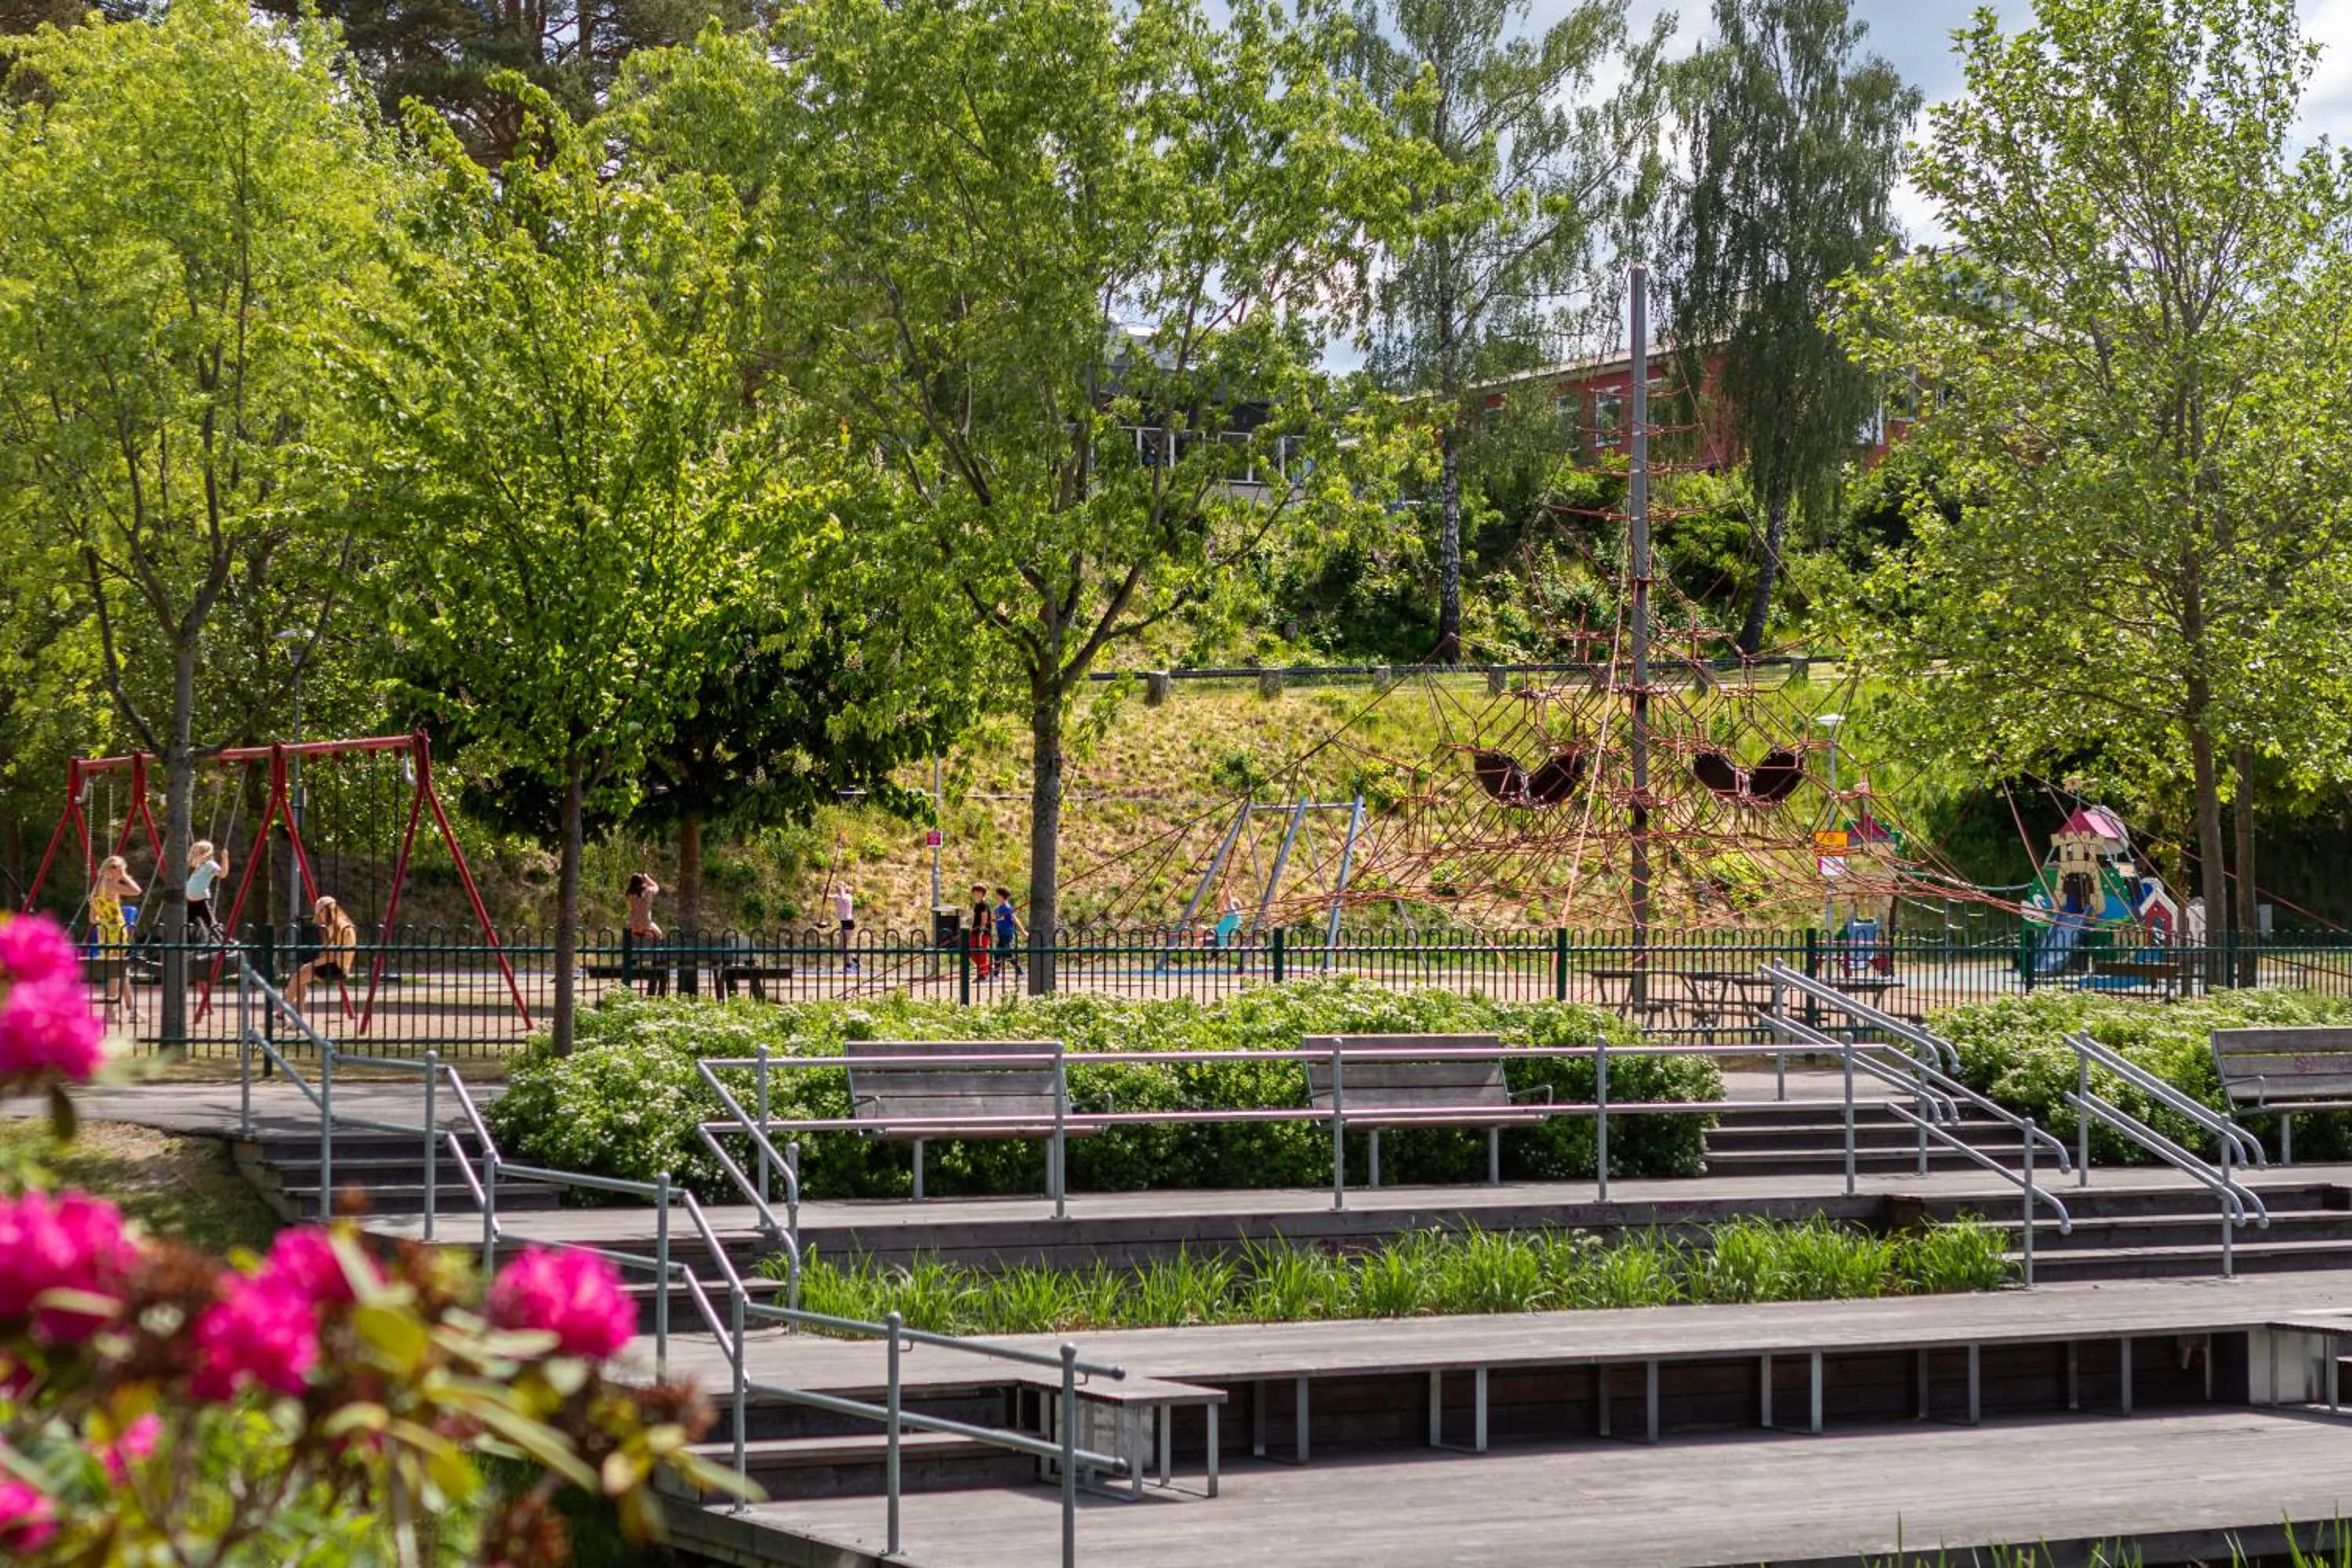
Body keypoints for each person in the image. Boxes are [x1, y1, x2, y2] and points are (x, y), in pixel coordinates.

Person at [285, 895, 355, 1019]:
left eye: (319, 915)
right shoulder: (337, 924)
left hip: (337, 967)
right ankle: (298, 1017)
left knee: (296, 978)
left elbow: (333, 956)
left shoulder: (340, 927)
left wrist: (313, 964)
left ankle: (280, 1015)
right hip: (335, 964)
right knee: (300, 977)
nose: (320, 919)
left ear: (325, 910)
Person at [90, 855, 142, 1022]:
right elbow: (137, 890)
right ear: (111, 870)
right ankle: (110, 1012)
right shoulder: (111, 885)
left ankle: (133, 1010)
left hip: (104, 932)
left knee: (121, 970)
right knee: (116, 971)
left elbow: (93, 918)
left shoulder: (97, 888)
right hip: (116, 932)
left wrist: (105, 918)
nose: (120, 872)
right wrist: (125, 877)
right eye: (119, 868)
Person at [623, 872, 664, 994]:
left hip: (633, 926)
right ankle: (654, 959)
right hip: (647, 925)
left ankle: (632, 962)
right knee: (659, 936)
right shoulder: (649, 893)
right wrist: (647, 879)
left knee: (632, 941)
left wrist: (642, 881)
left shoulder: (629, 895)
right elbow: (656, 886)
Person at [185, 839, 227, 943]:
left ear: (204, 853)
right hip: (190, 901)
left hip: (201, 901)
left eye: (196, 852)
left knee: (211, 923)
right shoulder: (199, 866)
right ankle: (188, 944)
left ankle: (223, 941)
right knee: (186, 924)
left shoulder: (210, 865)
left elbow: (222, 874)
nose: (194, 855)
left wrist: (225, 858)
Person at [992, 886, 1023, 978]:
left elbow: (1014, 919)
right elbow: (999, 919)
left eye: (998, 895)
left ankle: (996, 974)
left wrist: (1022, 931)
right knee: (1004, 953)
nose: (997, 897)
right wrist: (994, 920)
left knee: (999, 952)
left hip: (1007, 933)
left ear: (1002, 896)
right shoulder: (998, 908)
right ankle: (1019, 971)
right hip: (1000, 934)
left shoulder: (1007, 907)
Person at [968, 882, 993, 982]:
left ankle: (983, 974)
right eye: (975, 892)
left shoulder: (983, 905)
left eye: (979, 892)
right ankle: (985, 969)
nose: (977, 894)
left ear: (983, 893)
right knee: (971, 952)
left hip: (982, 933)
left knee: (981, 953)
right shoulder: (977, 905)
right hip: (975, 932)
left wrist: (981, 933)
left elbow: (984, 920)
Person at [833, 881, 858, 975]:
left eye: (840, 888)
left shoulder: (848, 897)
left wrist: (842, 887)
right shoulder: (840, 897)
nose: (839, 889)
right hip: (843, 923)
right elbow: (834, 897)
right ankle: (854, 961)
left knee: (846, 946)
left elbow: (843, 897)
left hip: (848, 922)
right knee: (843, 945)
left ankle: (849, 966)